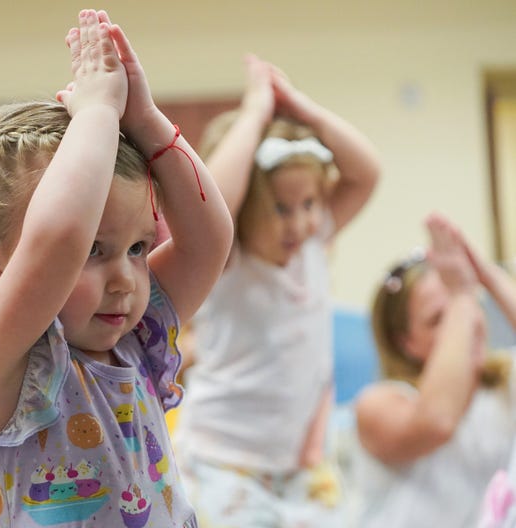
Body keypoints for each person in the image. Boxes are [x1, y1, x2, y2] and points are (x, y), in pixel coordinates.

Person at [0, 9, 233, 528]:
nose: (125, 280)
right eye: (95, 251)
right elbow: (58, 241)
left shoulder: (134, 337)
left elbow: (209, 242)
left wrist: (145, 120)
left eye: (137, 247)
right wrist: (95, 115)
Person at [172, 53, 381, 527]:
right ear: (247, 215)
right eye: (282, 209)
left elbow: (367, 172)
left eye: (309, 203)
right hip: (224, 460)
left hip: (301, 464)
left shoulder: (313, 243)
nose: (302, 220)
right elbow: (211, 203)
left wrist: (305, 112)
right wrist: (254, 114)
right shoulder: (230, 261)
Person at [353, 212, 516, 528]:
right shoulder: (380, 402)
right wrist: (460, 294)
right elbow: (437, 421)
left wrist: (488, 276)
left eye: (473, 305)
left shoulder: (502, 384)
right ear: (406, 342)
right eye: (439, 318)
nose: (468, 320)